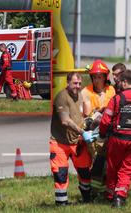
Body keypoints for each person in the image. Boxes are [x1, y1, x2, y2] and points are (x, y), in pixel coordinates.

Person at [99, 70, 131, 207]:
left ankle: (110, 195)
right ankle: (119, 197)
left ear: (125, 82)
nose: (119, 84)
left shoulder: (116, 99)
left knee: (113, 167)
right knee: (127, 169)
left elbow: (105, 120)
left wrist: (102, 134)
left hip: (117, 139)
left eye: (120, 82)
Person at [50, 72, 96, 206]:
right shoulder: (61, 97)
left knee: (85, 172)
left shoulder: (80, 96)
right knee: (61, 174)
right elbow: (65, 121)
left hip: (77, 142)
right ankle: (61, 204)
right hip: (59, 143)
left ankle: (87, 200)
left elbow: (84, 116)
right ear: (68, 83)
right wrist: (83, 132)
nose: (78, 86)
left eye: (80, 84)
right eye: (75, 83)